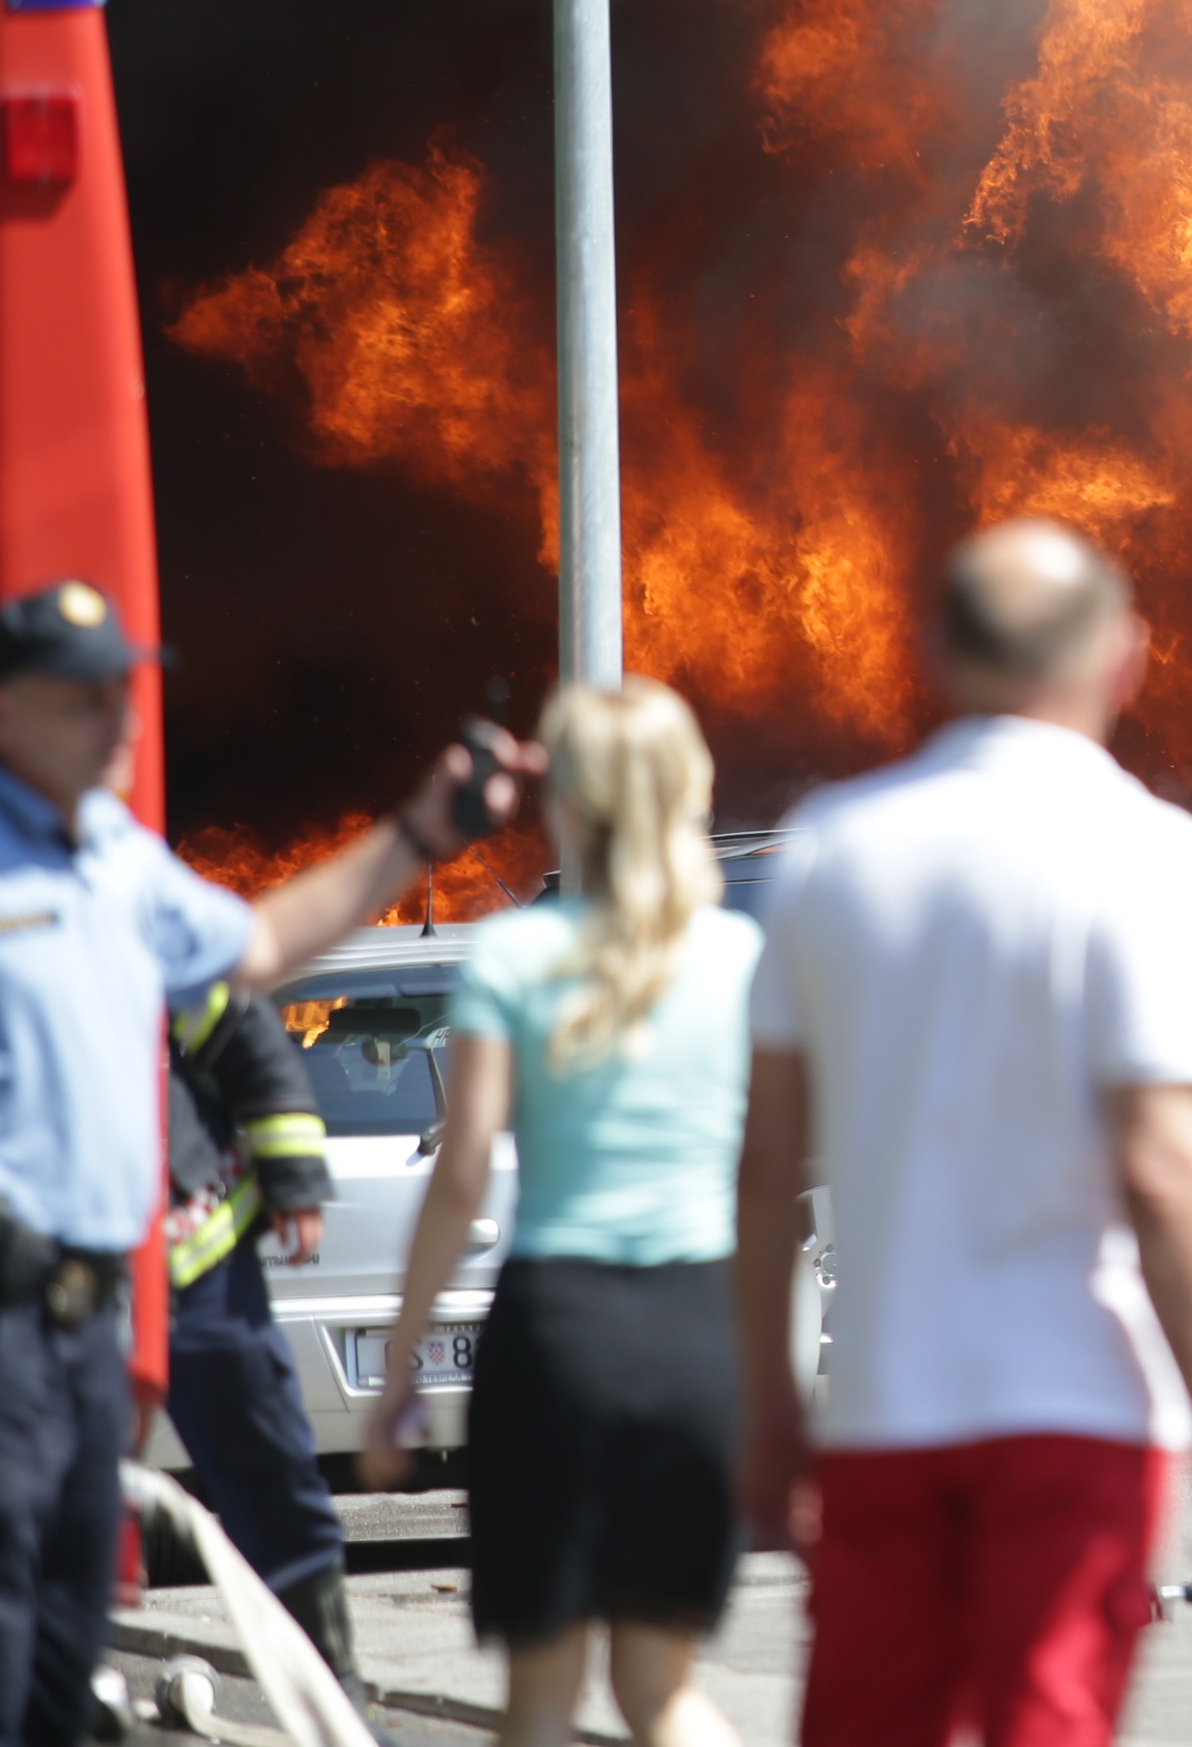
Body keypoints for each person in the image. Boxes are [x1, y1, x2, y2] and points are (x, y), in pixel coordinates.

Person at [0, 579, 536, 1747]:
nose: (123, 719)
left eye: (129, 690)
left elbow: (258, 946)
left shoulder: (118, 859)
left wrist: (420, 833)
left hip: (85, 1337)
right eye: (85, 697)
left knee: (59, 1672)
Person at [734, 518, 1192, 1747]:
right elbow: (1163, 1160)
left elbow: (766, 1165)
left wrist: (769, 1409)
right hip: (1078, 1404)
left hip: (883, 1407)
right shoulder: (1150, 851)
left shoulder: (832, 845)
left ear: (933, 653)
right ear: (1126, 657)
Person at [364, 678, 759, 1747]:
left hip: (555, 1337)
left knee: (541, 1696)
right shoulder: (738, 961)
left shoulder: (511, 955)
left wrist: (400, 1366)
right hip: (694, 1335)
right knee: (662, 1692)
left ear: (566, 807)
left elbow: (462, 1171)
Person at [160, 978, 357, 1694]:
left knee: (276, 1494)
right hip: (40, 1270)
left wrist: (296, 1176)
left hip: (198, 1262)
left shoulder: (132, 898)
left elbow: (243, 1028)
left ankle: (335, 1711)